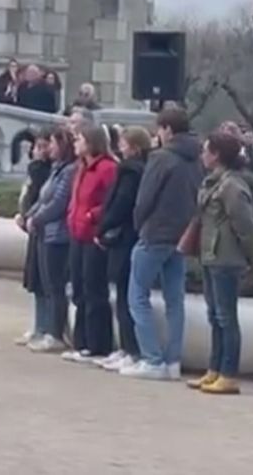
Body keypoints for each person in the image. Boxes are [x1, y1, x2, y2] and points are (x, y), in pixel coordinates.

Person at [123, 107, 203, 381]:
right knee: (174, 301)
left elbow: (145, 198)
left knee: (137, 296)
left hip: (155, 233)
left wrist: (139, 223)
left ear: (167, 129)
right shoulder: (198, 158)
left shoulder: (161, 158)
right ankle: (172, 360)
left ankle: (152, 358)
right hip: (181, 236)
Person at [184, 131, 253, 396]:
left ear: (217, 155)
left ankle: (228, 373)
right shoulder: (214, 182)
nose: (203, 155)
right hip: (210, 255)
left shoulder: (233, 187)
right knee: (215, 316)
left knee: (226, 318)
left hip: (226, 258)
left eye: (207, 150)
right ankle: (214, 369)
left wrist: (250, 256)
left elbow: (246, 227)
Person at [94, 126, 151, 372]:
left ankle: (132, 349)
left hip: (124, 237)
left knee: (126, 295)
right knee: (122, 294)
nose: (121, 147)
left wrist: (102, 226)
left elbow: (121, 204)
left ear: (135, 147)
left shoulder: (131, 172)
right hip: (125, 236)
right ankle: (126, 348)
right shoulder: (134, 170)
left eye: (125, 144)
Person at [63, 126, 118, 364]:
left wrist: (92, 217)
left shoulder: (107, 168)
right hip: (77, 233)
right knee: (79, 289)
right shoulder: (81, 168)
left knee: (94, 289)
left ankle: (98, 345)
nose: (75, 143)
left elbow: (111, 201)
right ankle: (82, 341)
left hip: (93, 235)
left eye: (80, 139)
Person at [24, 127, 78, 353]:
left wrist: (36, 219)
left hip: (59, 234)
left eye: (53, 144)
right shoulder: (57, 170)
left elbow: (58, 202)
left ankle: (55, 333)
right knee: (46, 284)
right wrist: (31, 214)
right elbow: (43, 197)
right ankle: (47, 329)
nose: (49, 148)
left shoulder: (68, 172)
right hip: (47, 231)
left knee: (55, 286)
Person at [13, 130, 54, 345]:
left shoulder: (45, 170)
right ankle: (37, 326)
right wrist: (23, 214)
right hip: (32, 225)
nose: (37, 151)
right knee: (35, 281)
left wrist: (31, 216)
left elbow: (43, 196)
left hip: (43, 228)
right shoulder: (35, 168)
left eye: (43, 146)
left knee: (44, 282)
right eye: (36, 146)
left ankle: (46, 327)